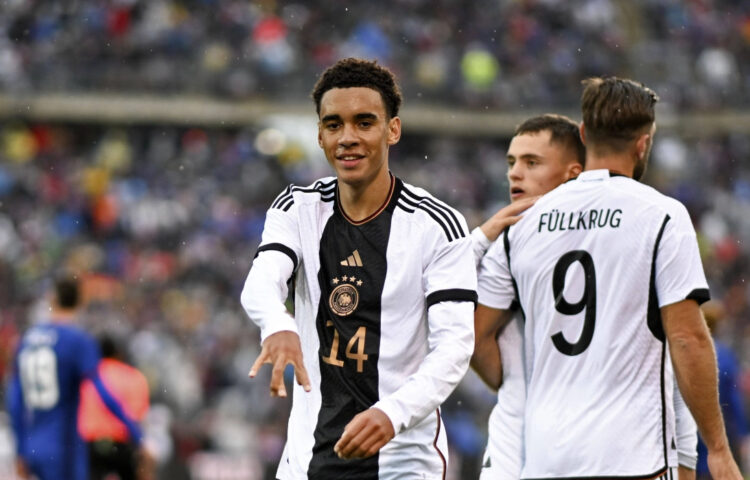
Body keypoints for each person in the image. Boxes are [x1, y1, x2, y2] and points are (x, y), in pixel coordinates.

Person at [474, 77, 742, 479]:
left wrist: (522, 383)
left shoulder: (521, 225)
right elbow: (687, 337)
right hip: (633, 457)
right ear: (643, 144)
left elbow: (475, 336)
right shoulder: (662, 215)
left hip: (547, 457)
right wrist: (717, 449)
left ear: (584, 134)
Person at [240, 57, 476, 479]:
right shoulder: (297, 207)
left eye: (364, 123)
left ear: (393, 130)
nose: (347, 137)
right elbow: (262, 280)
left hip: (401, 462)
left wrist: (393, 413)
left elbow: (454, 347)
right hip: (306, 463)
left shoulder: (437, 225)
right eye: (334, 125)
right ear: (320, 135)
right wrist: (277, 323)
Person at [5, 275, 144, 480]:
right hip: (64, 447)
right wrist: (137, 434)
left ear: (52, 300)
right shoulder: (77, 340)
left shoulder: (27, 340)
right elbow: (102, 392)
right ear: (80, 302)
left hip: (33, 445)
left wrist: (20, 449)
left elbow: (15, 401)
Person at [78, 334, 153, 480]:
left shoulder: (87, 376)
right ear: (119, 352)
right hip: (122, 444)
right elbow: (138, 415)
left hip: (90, 444)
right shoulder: (133, 376)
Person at [696, 301, 749, 479]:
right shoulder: (725, 355)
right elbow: (734, 399)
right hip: (717, 426)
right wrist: (742, 433)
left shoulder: (689, 353)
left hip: (691, 425)